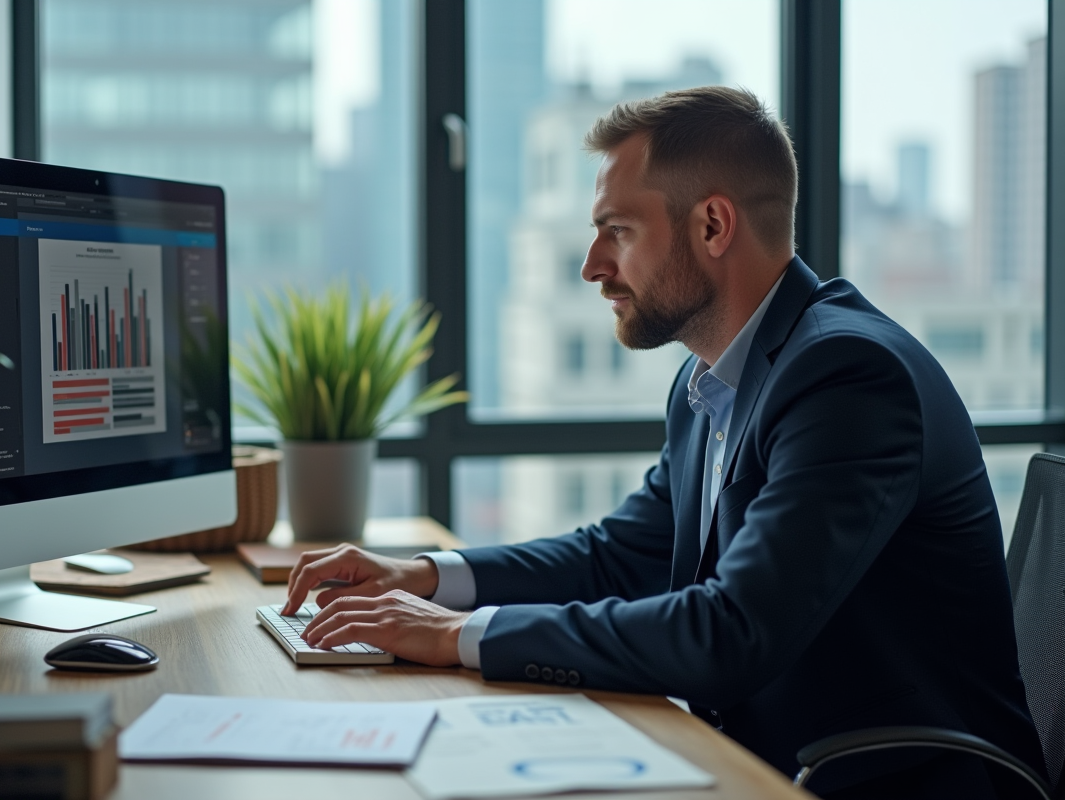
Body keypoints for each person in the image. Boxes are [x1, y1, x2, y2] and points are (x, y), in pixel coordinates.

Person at [281, 86, 1044, 799]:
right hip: (764, 765)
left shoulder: (848, 376)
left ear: (712, 225)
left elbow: (732, 631)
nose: (593, 267)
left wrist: (458, 636)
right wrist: (425, 578)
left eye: (617, 231)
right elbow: (619, 556)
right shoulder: (710, 383)